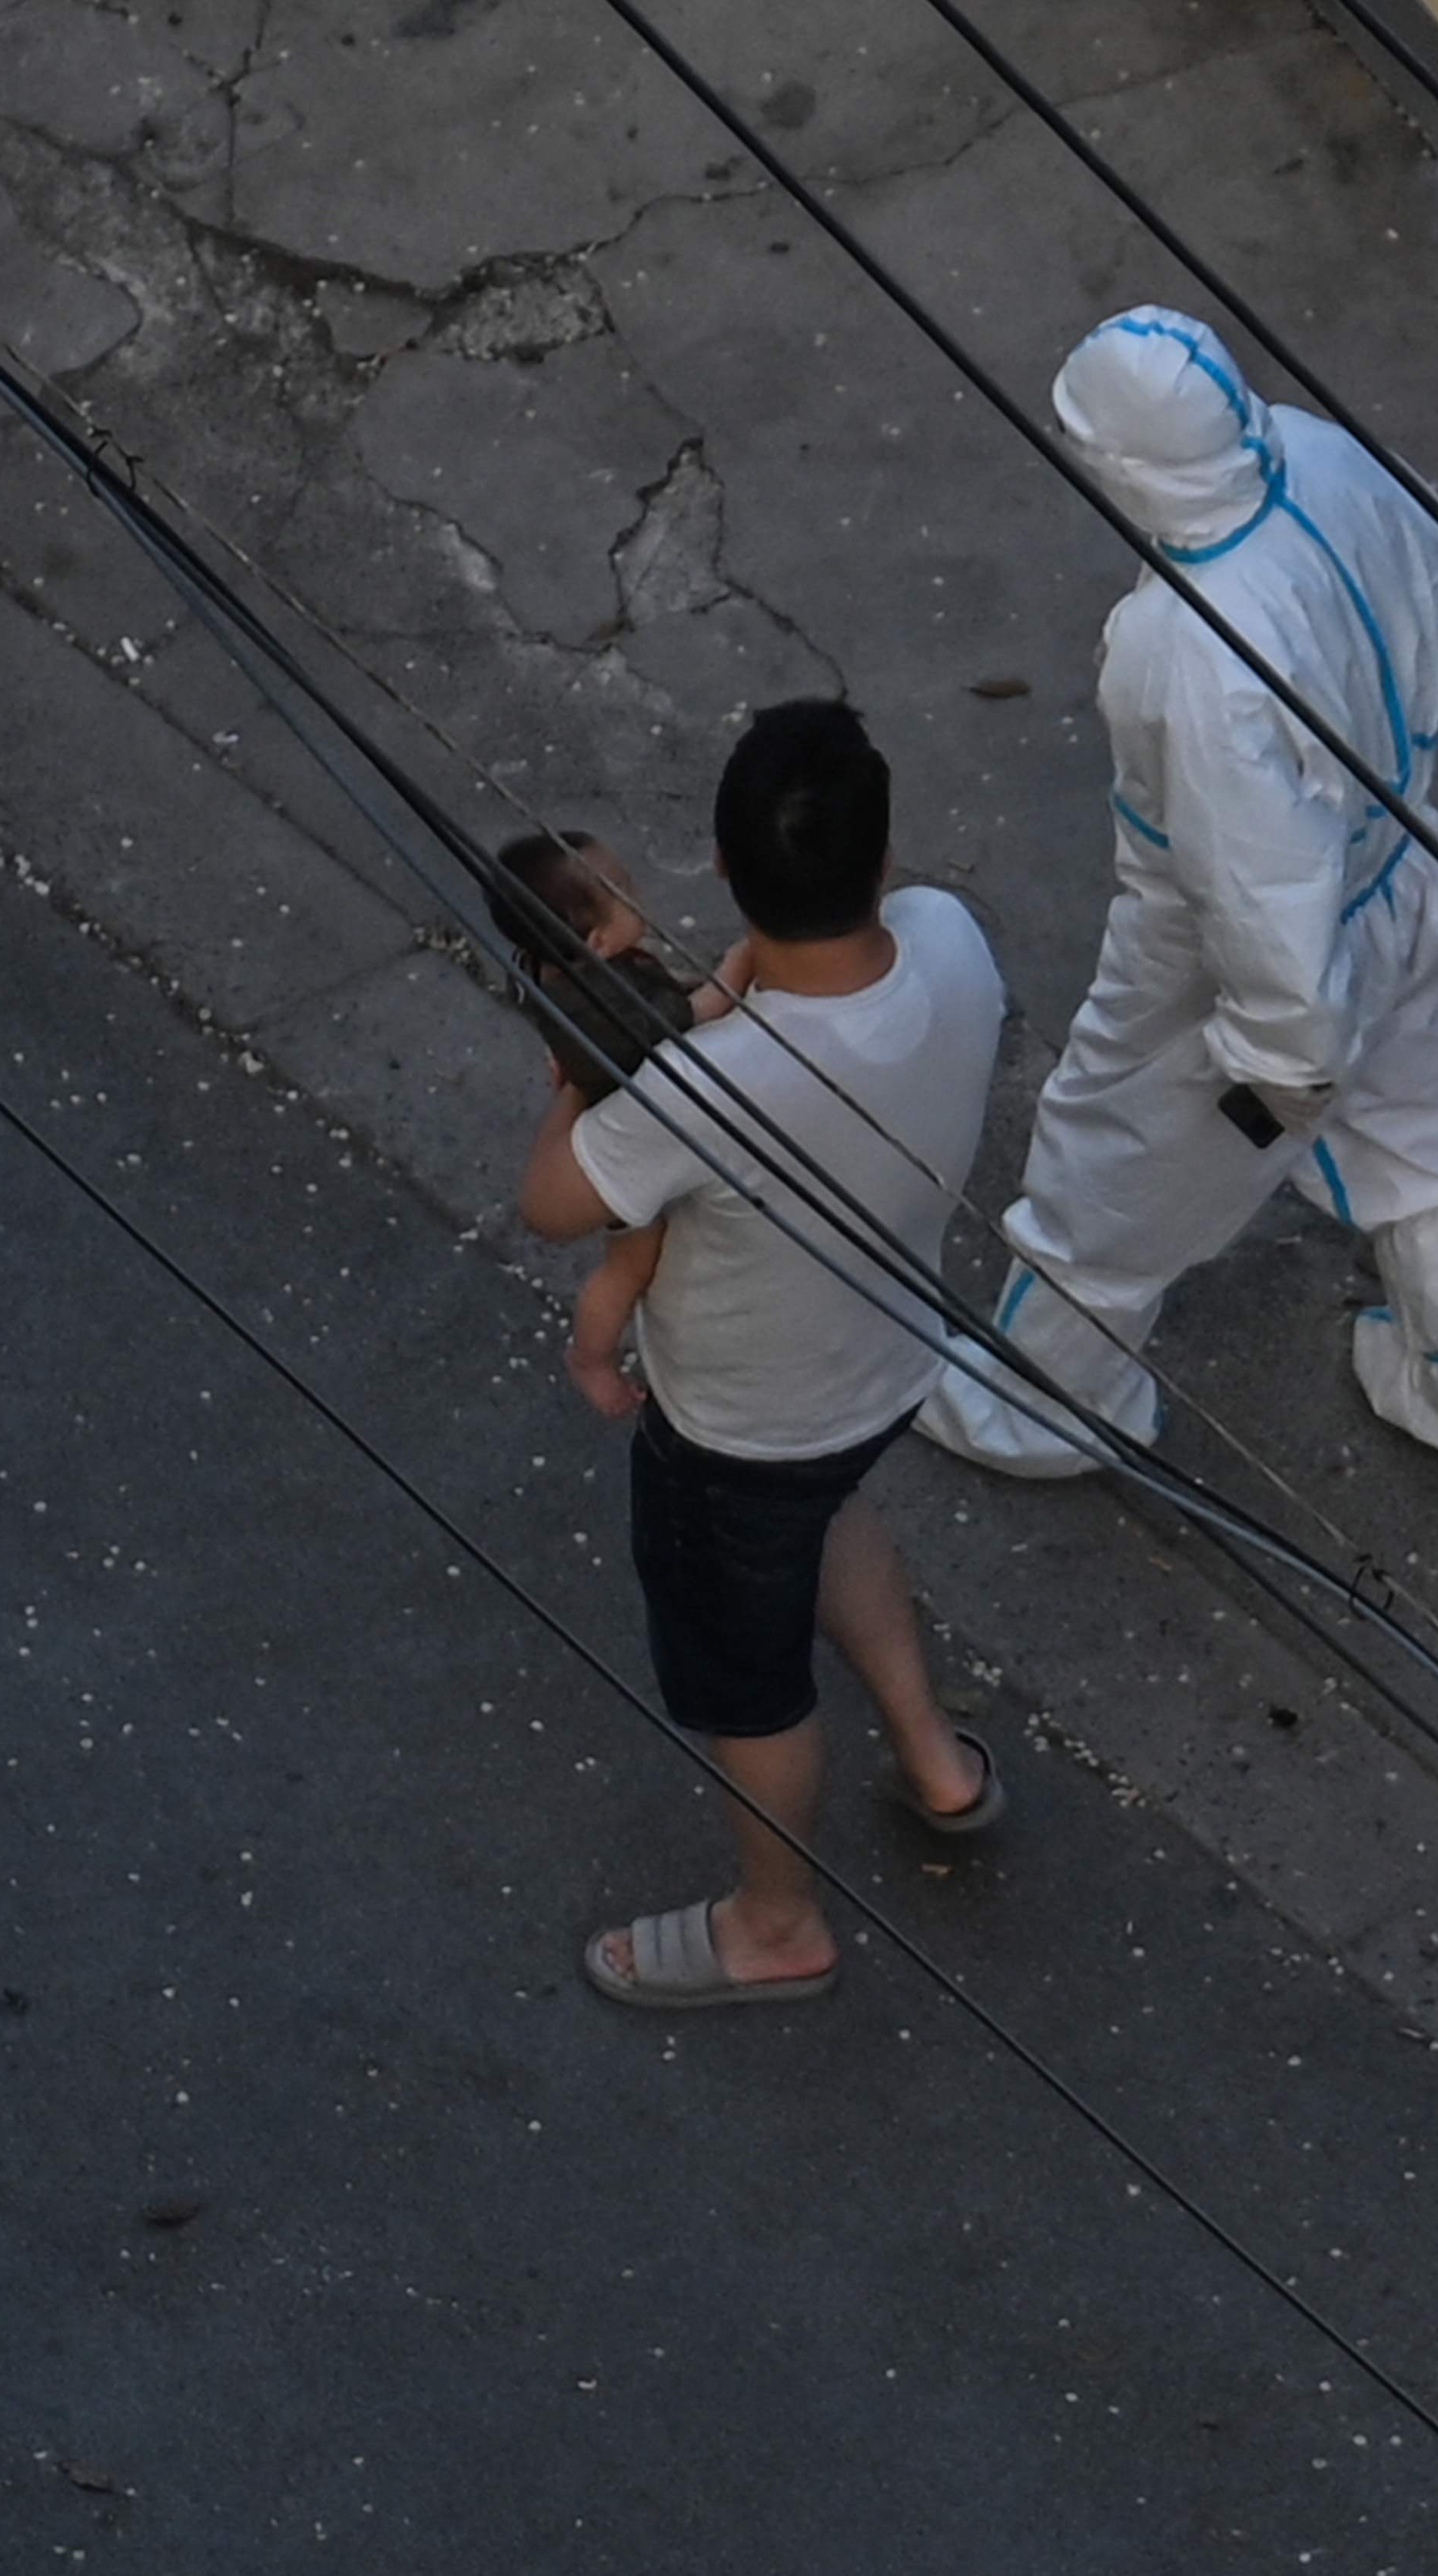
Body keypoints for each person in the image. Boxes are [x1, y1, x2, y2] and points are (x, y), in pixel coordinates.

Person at [918, 307, 1438, 1478]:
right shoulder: (1330, 460)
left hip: (1255, 975)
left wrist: (1279, 1076)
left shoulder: (1191, 653)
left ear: (1125, 468)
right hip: (1413, 879)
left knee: (1116, 1172)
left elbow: (1257, 894)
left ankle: (1041, 1407)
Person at [516, 700, 1012, 2009]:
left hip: (736, 1424)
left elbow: (556, 1201)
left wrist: (579, 1056)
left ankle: (775, 1923)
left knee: (749, 1685)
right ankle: (932, 1756)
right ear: (882, 849)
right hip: (887, 1362)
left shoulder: (705, 1089)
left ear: (727, 871)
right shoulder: (956, 945)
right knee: (829, 1508)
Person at [488, 827, 711, 1419]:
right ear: (599, 939)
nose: (640, 894)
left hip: (602, 1087)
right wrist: (740, 973)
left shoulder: (545, 963)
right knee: (630, 1264)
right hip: (616, 1126)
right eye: (627, 892)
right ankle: (591, 1357)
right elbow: (688, 1015)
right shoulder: (615, 1001)